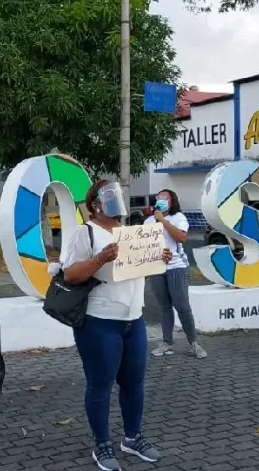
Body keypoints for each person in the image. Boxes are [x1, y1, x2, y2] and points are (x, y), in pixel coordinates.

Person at [60, 180, 172, 471]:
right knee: (100, 385)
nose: (117, 200)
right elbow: (70, 275)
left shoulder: (131, 234)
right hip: (99, 321)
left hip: (133, 320)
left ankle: (132, 438)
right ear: (96, 203)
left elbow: (140, 269)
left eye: (118, 194)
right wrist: (100, 258)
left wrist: (158, 257)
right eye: (110, 195)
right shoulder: (85, 233)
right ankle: (102, 444)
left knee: (134, 383)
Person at [145, 189, 208, 359]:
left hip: (176, 268)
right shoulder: (148, 221)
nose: (161, 199)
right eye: (159, 197)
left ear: (172, 202)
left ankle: (193, 342)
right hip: (157, 269)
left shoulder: (178, 218)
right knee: (165, 307)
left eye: (165, 198)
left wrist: (163, 221)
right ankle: (167, 342)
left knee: (182, 306)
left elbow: (181, 238)